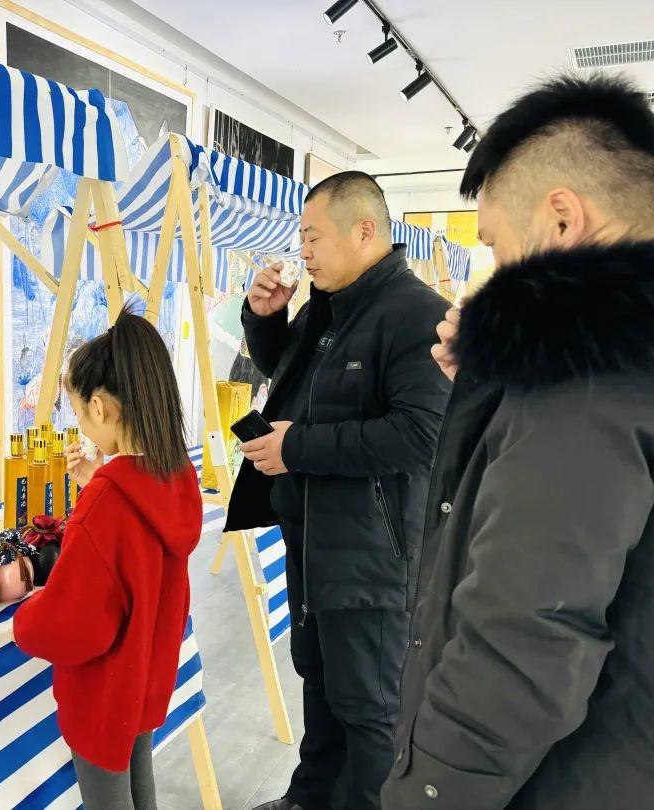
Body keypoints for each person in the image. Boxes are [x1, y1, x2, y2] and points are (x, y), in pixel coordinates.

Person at [381, 75, 654, 810]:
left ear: (562, 220)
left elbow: (521, 641)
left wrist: (425, 795)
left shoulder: (584, 374)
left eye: (498, 246)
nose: (496, 272)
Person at [228, 172, 451, 810]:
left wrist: (296, 447)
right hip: (311, 535)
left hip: (372, 551)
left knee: (369, 705)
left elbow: (421, 435)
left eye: (313, 237)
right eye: (301, 238)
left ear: (364, 231)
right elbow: (296, 379)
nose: (303, 252)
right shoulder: (329, 307)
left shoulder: (416, 315)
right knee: (319, 679)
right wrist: (265, 320)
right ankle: (309, 797)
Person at [13, 309, 202, 810]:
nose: (80, 422)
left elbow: (76, 626)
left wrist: (25, 617)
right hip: (144, 678)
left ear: (99, 407)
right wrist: (97, 480)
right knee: (140, 789)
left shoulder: (108, 501)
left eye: (77, 412)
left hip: (103, 691)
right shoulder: (176, 477)